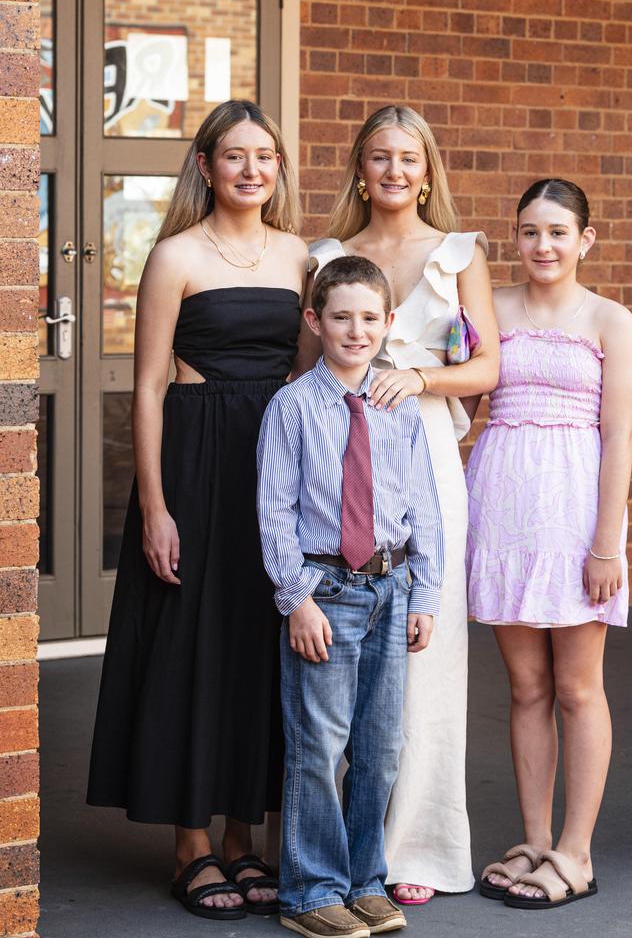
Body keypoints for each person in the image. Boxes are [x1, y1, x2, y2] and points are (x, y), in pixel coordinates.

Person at [87, 100, 311, 920]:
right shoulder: (175, 255)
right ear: (207, 165)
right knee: (190, 642)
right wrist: (153, 506)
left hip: (273, 460)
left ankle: (243, 836)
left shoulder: (299, 257)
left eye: (266, 157)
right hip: (193, 457)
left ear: (278, 169)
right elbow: (145, 388)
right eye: (235, 156)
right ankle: (190, 843)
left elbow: (315, 373)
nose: (252, 170)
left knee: (259, 643)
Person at [308, 106, 500, 903]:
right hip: (341, 457)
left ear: (429, 170)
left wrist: (419, 378)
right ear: (360, 165)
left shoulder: (459, 255)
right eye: (380, 156)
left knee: (427, 647)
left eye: (409, 158)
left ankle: (416, 844)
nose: (394, 170)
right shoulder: (325, 255)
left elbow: (487, 368)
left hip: (423, 450)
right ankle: (338, 842)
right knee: (343, 651)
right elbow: (302, 369)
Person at [257, 256, 445, 938]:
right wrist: (296, 598)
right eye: (340, 316)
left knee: (379, 745)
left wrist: (424, 592)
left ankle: (365, 880)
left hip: (391, 590)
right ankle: (310, 891)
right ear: (315, 320)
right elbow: (275, 511)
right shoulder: (293, 407)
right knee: (318, 742)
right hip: (326, 589)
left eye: (370, 317)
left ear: (388, 323)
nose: (355, 329)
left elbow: (422, 501)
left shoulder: (399, 409)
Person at [466, 178, 632, 910]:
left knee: (576, 687)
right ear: (515, 236)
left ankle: (576, 853)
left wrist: (608, 542)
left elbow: (620, 434)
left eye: (558, 232)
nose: (543, 246)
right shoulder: (492, 308)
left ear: (585, 240)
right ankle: (534, 839)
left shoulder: (610, 318)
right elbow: (465, 395)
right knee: (527, 687)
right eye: (530, 231)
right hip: (501, 509)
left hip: (574, 516)